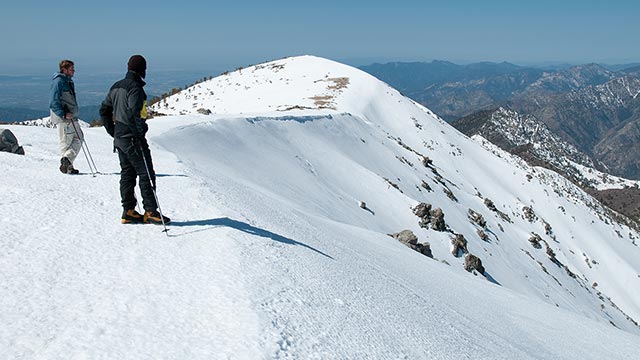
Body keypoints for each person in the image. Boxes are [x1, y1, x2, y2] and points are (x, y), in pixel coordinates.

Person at [99, 55, 171, 225]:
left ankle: (129, 211)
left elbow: (104, 110)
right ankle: (150, 211)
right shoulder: (136, 88)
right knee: (145, 172)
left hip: (120, 139)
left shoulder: (116, 86)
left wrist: (113, 131)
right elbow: (134, 113)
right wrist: (139, 133)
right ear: (142, 70)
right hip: (133, 138)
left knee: (127, 174)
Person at [50, 59, 82, 174]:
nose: (73, 71)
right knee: (66, 141)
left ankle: (67, 161)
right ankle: (67, 165)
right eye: (71, 69)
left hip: (71, 116)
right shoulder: (59, 81)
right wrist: (63, 113)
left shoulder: (67, 81)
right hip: (64, 118)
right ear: (64, 70)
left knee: (79, 138)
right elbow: (53, 101)